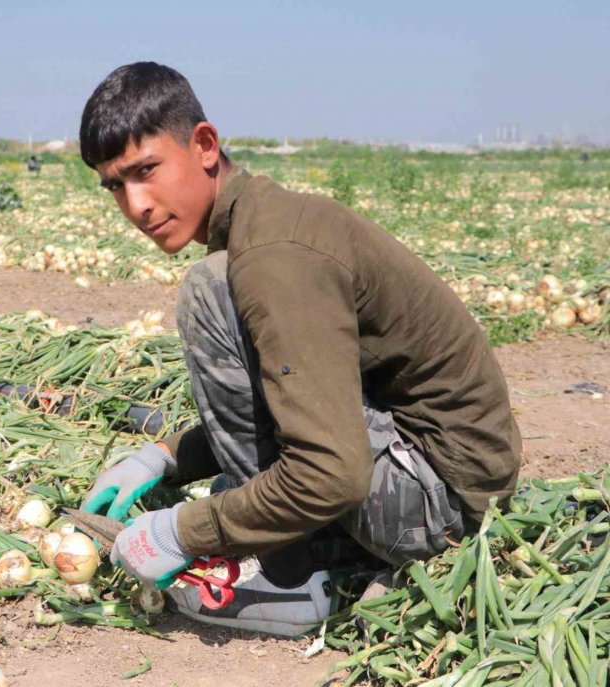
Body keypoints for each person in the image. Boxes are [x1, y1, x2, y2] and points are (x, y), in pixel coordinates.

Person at [78, 62, 521, 637]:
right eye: (115, 185)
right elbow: (294, 401)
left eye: (146, 170)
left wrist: (182, 532)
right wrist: (165, 456)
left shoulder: (272, 256)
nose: (135, 204)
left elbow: (330, 474)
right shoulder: (264, 223)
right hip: (447, 475)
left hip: (443, 504)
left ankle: (292, 575)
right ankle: (316, 547)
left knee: (209, 293)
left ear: (205, 145)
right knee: (221, 303)